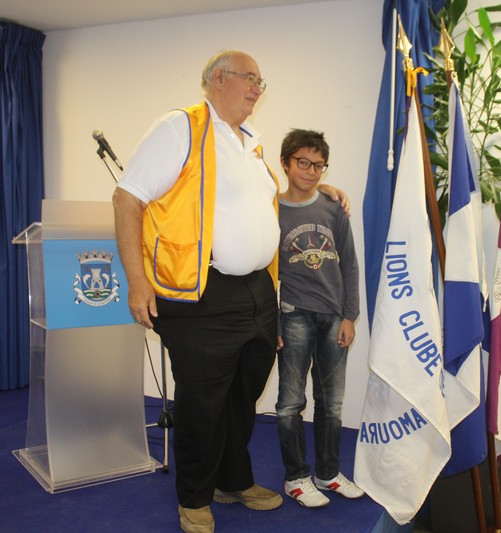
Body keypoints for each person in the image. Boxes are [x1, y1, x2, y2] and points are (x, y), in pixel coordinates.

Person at [113, 51, 345, 533]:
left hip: (257, 292)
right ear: (218, 79)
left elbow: (260, 208)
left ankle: (232, 480)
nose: (259, 87)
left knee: (243, 397)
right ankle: (194, 497)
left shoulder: (250, 144)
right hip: (202, 293)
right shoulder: (180, 128)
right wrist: (137, 281)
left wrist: (320, 191)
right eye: (250, 78)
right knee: (202, 401)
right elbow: (127, 198)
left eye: (262, 81)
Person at [275, 129, 365, 509]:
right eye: (303, 163)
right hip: (293, 315)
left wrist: (350, 316)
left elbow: (350, 264)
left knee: (331, 402)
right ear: (285, 163)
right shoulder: (272, 210)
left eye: (318, 165)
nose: (311, 171)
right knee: (290, 403)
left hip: (333, 316)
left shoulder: (333, 207)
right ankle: (296, 478)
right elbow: (266, 273)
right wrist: (272, 324)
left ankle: (328, 474)